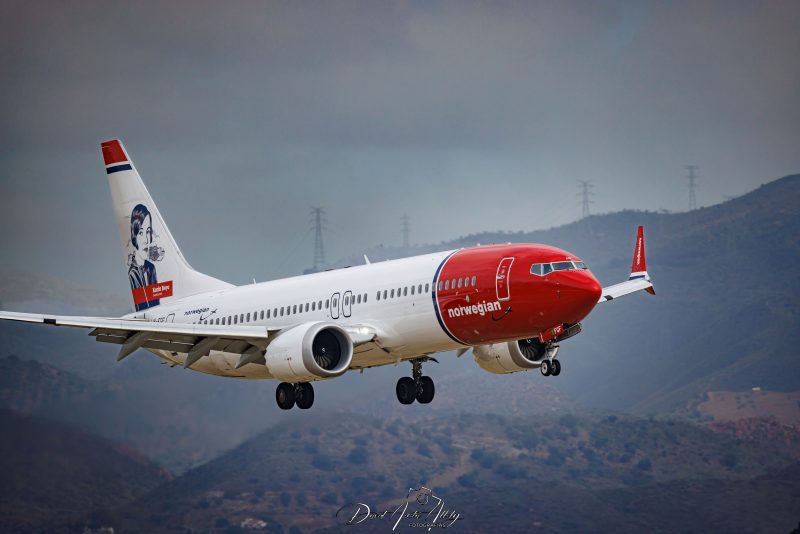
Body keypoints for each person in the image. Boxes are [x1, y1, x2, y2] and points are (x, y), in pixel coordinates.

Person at [128, 203, 163, 310]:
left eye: (148, 232)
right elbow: (143, 307)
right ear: (134, 235)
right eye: (141, 233)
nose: (146, 240)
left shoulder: (151, 268)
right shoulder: (133, 273)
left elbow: (156, 304)